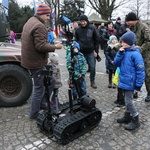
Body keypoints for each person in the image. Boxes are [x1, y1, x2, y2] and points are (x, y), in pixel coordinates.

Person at [21, 3, 63, 119]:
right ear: (41, 14)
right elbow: (40, 46)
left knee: (51, 80)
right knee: (39, 88)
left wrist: (50, 45)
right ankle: (34, 114)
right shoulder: (39, 26)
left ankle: (44, 103)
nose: (48, 18)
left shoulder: (30, 21)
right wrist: (56, 47)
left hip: (30, 60)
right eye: (47, 16)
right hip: (36, 62)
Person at [114, 31, 145, 130]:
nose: (122, 44)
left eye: (124, 42)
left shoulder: (136, 55)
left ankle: (135, 119)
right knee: (127, 100)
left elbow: (141, 71)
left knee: (129, 101)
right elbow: (116, 63)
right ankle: (127, 116)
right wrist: (120, 53)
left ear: (130, 43)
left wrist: (138, 86)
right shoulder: (123, 52)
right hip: (123, 81)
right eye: (121, 42)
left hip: (131, 83)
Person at [125, 12, 150, 102]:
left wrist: (140, 49)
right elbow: (126, 40)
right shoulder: (131, 28)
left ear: (133, 20)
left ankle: (149, 93)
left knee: (147, 75)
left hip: (146, 55)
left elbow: (148, 42)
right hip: (134, 55)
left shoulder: (144, 27)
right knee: (134, 74)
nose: (127, 23)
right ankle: (135, 91)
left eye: (128, 21)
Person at [75, 15, 100, 89]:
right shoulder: (78, 29)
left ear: (86, 21)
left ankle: (92, 81)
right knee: (81, 68)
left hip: (90, 51)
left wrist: (96, 51)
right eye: (81, 21)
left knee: (92, 67)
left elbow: (97, 40)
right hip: (81, 52)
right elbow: (76, 40)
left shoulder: (92, 28)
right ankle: (81, 81)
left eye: (84, 21)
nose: (83, 23)